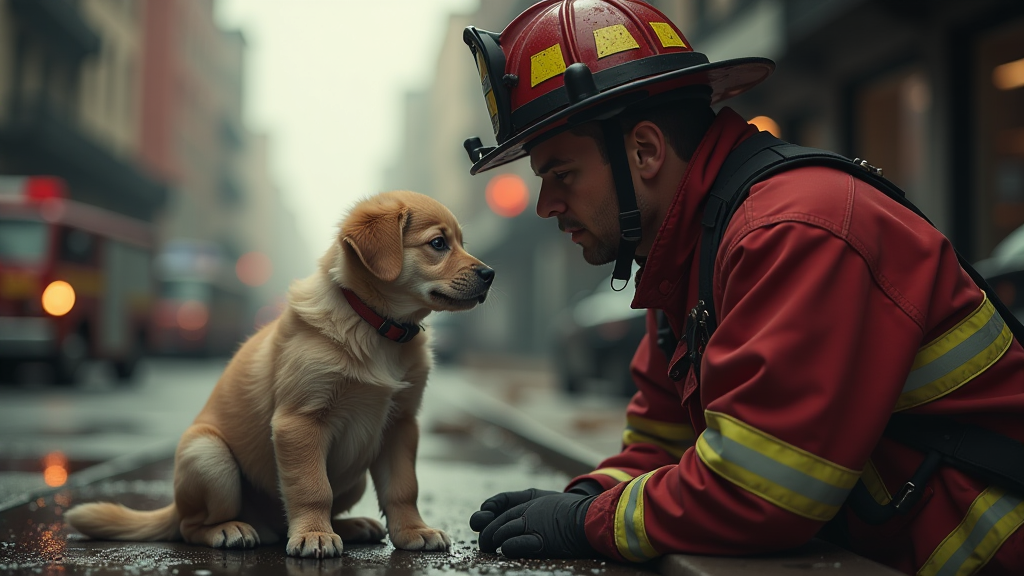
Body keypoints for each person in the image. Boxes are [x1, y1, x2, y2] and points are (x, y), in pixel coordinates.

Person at [460, 1, 1024, 575]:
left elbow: (761, 489)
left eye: (562, 174)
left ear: (646, 151)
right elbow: (663, 447)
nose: (546, 205)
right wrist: (586, 497)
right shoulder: (685, 258)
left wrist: (588, 523)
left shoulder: (793, 230)